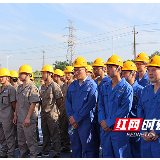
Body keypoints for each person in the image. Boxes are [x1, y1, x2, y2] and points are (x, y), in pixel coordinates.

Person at [98, 55, 133, 158]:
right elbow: (100, 105)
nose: (107, 70)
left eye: (110, 67)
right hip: (105, 129)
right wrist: (102, 122)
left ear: (119, 68)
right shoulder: (105, 87)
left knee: (121, 155)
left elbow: (124, 110)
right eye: (107, 67)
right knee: (107, 154)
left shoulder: (127, 88)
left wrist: (108, 122)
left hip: (119, 129)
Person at [65, 57, 97, 158]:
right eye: (75, 70)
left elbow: (90, 104)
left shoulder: (92, 85)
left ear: (86, 70)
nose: (76, 72)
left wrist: (77, 118)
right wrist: (71, 117)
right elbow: (67, 102)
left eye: (79, 69)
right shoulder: (73, 85)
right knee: (75, 147)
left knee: (87, 148)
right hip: (73, 122)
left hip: (85, 122)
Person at [13, 65, 40, 158]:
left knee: (31, 141)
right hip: (20, 118)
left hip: (28, 119)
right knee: (21, 141)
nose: (19, 75)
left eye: (21, 73)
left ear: (28, 74)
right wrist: (15, 115)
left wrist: (28, 118)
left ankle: (33, 156)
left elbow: (33, 104)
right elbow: (17, 102)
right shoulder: (20, 87)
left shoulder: (32, 87)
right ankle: (22, 155)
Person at [37, 65, 63, 158]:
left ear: (49, 74)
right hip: (44, 113)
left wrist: (55, 110)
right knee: (45, 134)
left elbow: (59, 99)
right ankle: (45, 151)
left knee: (55, 134)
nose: (42, 75)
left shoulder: (54, 86)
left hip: (52, 114)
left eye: (44, 73)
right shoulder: (43, 86)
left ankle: (56, 153)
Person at [137, 55, 160, 158]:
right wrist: (143, 131)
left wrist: (157, 131)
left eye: (154, 70)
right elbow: (140, 111)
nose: (150, 73)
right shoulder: (145, 90)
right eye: (149, 70)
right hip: (146, 139)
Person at [121, 61, 143, 158]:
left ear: (133, 74)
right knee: (124, 151)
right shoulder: (121, 89)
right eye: (122, 72)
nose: (123, 75)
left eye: (125, 72)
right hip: (123, 124)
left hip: (136, 125)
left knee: (136, 151)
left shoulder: (140, 90)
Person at [92, 58, 111, 158]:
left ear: (103, 69)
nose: (95, 71)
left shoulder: (109, 82)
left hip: (104, 117)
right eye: (93, 69)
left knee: (105, 144)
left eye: (97, 69)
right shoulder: (93, 83)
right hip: (94, 117)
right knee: (94, 142)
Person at [0, 68, 16, 158]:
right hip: (1, 116)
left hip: (8, 116)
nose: (0, 78)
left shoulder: (11, 89)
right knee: (1, 137)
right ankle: (3, 152)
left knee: (9, 136)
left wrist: (14, 115)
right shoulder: (0, 88)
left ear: (7, 78)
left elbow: (14, 104)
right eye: (0, 77)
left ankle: (10, 154)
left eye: (2, 76)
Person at [60, 66, 74, 153]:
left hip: (72, 112)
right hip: (63, 110)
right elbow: (60, 99)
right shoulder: (63, 85)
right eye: (66, 73)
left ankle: (74, 147)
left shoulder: (75, 84)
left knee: (72, 130)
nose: (67, 75)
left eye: (69, 73)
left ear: (72, 74)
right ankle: (66, 146)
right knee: (63, 128)